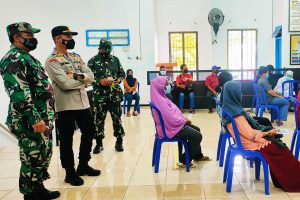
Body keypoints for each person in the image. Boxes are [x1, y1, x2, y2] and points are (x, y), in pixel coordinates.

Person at [0, 22, 60, 200]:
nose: (33, 39)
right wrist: (34, 118)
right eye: (29, 35)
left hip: (42, 117)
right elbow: (19, 93)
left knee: (42, 155)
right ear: (16, 37)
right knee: (30, 157)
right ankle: (29, 194)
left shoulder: (27, 57)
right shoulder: (13, 59)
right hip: (29, 120)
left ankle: (38, 188)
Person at [45, 26, 100, 186]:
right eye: (67, 36)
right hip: (66, 106)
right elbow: (65, 84)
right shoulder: (52, 60)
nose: (70, 39)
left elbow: (91, 76)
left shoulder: (76, 56)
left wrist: (75, 76)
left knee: (89, 133)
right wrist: (83, 80)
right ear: (57, 39)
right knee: (66, 140)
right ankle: (70, 172)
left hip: (83, 103)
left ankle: (83, 165)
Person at [221, 81, 300, 192]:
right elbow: (250, 135)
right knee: (282, 149)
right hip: (250, 143)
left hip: (245, 141)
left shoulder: (229, 107)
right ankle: (294, 182)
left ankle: (284, 180)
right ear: (235, 93)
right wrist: (268, 133)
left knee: (279, 146)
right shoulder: (236, 114)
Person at [150, 76, 210, 166]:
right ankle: (184, 160)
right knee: (198, 136)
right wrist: (183, 121)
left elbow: (172, 113)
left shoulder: (161, 97)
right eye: (166, 85)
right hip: (170, 129)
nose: (168, 87)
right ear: (160, 87)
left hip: (172, 125)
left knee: (197, 129)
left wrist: (182, 119)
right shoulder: (160, 101)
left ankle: (197, 156)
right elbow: (170, 118)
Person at [88, 38, 126, 154]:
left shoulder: (115, 60)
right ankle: (99, 143)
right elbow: (88, 78)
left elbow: (122, 74)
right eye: (103, 48)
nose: (105, 50)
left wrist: (117, 81)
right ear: (99, 48)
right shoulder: (92, 61)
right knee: (98, 120)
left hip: (114, 95)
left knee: (117, 119)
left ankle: (119, 141)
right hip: (99, 97)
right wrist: (99, 81)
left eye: (107, 48)